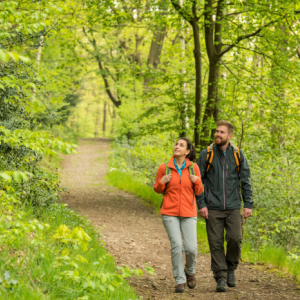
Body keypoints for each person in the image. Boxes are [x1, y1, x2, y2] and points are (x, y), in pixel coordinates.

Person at [196, 120, 253, 292]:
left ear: (230, 135)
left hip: (233, 206)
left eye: (221, 132)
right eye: (217, 131)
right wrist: (201, 204)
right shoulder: (206, 154)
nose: (217, 134)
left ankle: (230, 269)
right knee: (215, 243)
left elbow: (245, 180)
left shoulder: (238, 154)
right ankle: (220, 276)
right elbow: (198, 181)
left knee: (235, 238)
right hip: (212, 207)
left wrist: (248, 204)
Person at [153, 137, 203, 293]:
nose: (177, 146)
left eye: (181, 145)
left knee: (191, 249)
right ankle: (180, 280)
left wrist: (197, 181)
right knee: (177, 246)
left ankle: (190, 271)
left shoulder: (193, 168)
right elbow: (157, 189)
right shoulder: (165, 167)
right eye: (176, 144)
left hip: (189, 212)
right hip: (169, 212)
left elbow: (199, 191)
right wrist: (162, 181)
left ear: (187, 151)